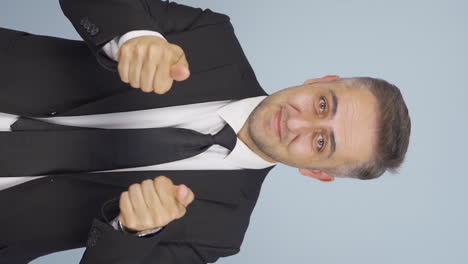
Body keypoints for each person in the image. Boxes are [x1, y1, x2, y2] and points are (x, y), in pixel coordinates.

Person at [0, 0, 411, 263]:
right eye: (323, 104)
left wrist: (131, 233)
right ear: (320, 79)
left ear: (318, 173)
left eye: (321, 142)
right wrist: (134, 36)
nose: (297, 122)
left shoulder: (218, 234)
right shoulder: (211, 36)